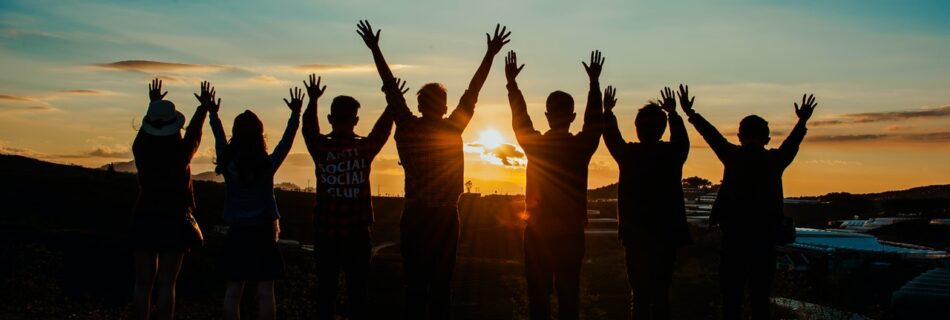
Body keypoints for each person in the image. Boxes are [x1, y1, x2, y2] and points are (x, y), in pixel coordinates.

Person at [356, 20, 511, 319]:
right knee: (442, 288)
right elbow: (473, 91)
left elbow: (391, 89)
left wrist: (375, 49)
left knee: (415, 287)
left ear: (420, 103)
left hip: (414, 215)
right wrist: (490, 54)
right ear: (443, 106)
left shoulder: (408, 127)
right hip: (443, 217)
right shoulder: (453, 129)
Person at [683, 90, 817, 320]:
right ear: (767, 139)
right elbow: (792, 143)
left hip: (733, 238)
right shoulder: (774, 160)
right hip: (764, 240)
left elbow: (711, 134)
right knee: (760, 300)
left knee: (731, 300)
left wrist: (691, 113)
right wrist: (802, 121)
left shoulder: (732, 156)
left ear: (739, 136)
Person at [504, 50, 605, 320]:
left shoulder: (535, 146)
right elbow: (595, 123)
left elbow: (520, 119)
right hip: (571, 233)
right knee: (569, 297)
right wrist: (594, 84)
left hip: (537, 233)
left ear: (547, 116)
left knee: (538, 298)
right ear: (572, 117)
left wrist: (512, 85)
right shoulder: (581, 147)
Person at [301, 73, 406, 320]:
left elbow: (308, 128)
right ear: (356, 120)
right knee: (358, 294)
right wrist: (392, 104)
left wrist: (312, 100)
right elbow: (382, 131)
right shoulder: (363, 149)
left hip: (325, 232)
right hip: (357, 234)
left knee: (325, 294)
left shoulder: (320, 147)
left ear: (330, 118)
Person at [211, 86, 304, 320]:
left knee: (233, 291)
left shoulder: (228, 163)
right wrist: (295, 114)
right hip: (263, 232)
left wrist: (212, 113)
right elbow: (286, 142)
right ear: (259, 135)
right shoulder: (267, 165)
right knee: (265, 291)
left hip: (237, 232)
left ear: (236, 133)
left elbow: (219, 138)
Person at [602, 86, 692, 320]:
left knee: (639, 296)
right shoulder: (673, 154)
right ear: (662, 130)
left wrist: (608, 111)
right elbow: (682, 140)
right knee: (662, 294)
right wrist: (673, 113)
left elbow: (611, 137)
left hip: (635, 236)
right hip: (666, 234)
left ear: (638, 129)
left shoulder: (629, 155)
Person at [129, 78, 209, 320]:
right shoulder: (181, 153)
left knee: (142, 284)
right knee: (167, 285)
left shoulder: (140, 149)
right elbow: (194, 134)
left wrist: (153, 105)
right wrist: (203, 108)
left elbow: (147, 133)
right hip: (174, 220)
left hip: (145, 217)